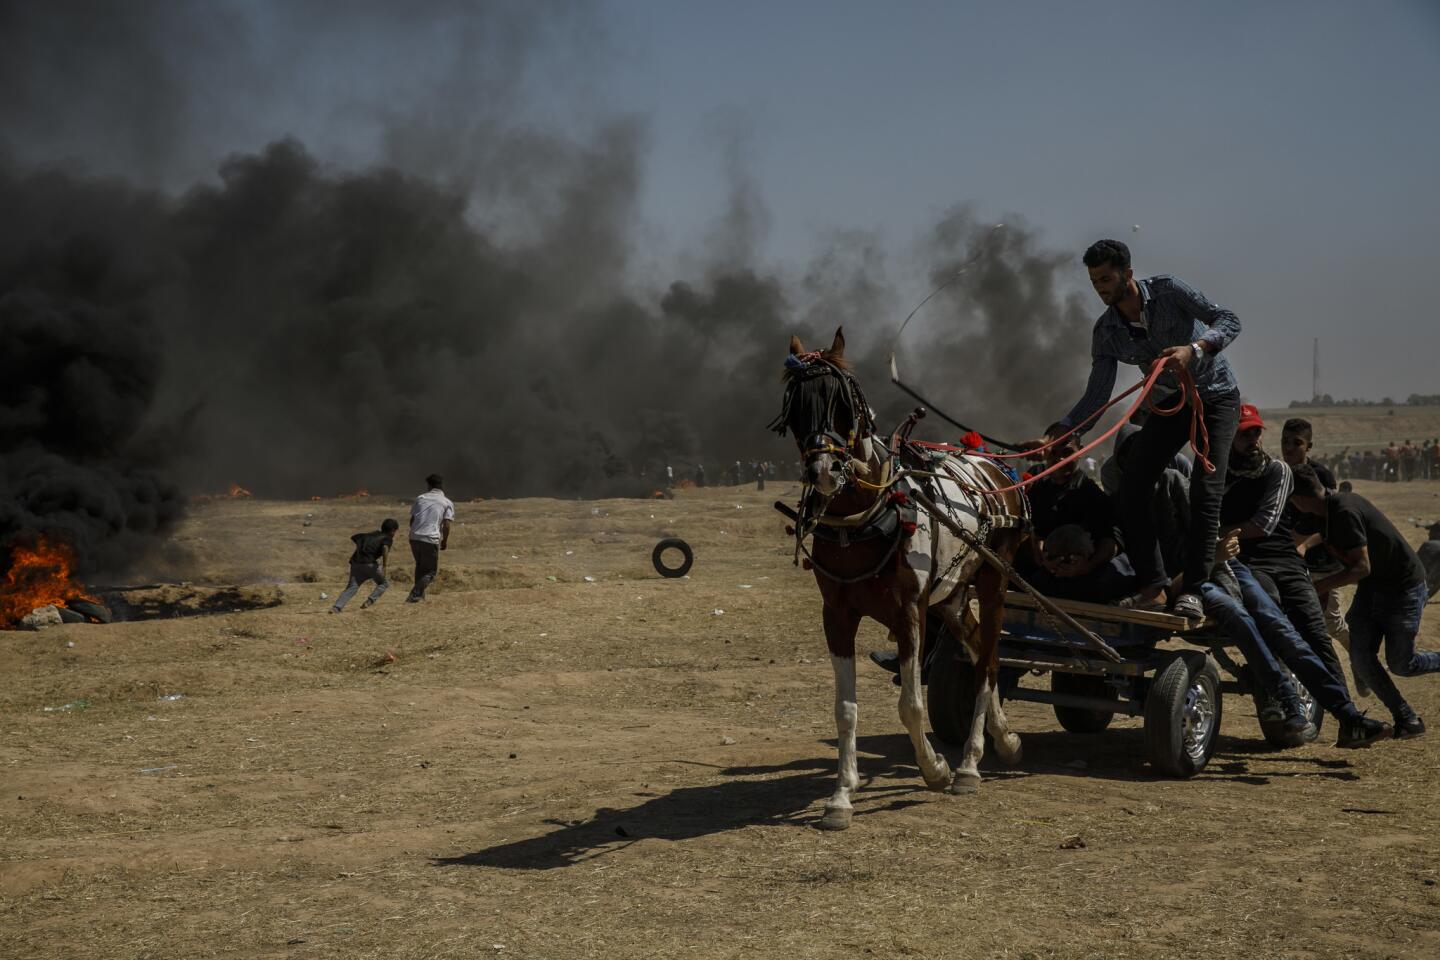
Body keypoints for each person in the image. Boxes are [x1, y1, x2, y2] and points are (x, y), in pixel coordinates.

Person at [1022, 239, 1242, 620]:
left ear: (1127, 273)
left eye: (1106, 278)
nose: (1101, 288)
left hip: (1216, 398)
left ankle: (1193, 589)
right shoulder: (1107, 331)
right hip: (1172, 406)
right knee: (1132, 486)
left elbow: (1229, 320)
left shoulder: (1170, 290)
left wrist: (1195, 348)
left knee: (1207, 491)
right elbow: (1098, 394)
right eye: (1094, 282)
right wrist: (1064, 429)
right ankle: (1154, 585)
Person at [1201, 531, 1391, 748]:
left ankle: (1347, 715)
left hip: (1229, 565)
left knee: (1282, 627)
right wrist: (1213, 556)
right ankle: (1288, 699)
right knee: (1245, 618)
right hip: (1199, 570)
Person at [1290, 462, 1438, 738]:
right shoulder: (1323, 512)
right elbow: (1300, 538)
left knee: (1402, 664)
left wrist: (1317, 587)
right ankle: (1407, 719)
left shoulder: (1344, 511)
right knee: (1360, 658)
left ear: (1299, 499)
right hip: (1374, 589)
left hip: (1402, 588)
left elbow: (1361, 568)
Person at [1222, 408, 1351, 695]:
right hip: (1251, 564)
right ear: (1229, 436)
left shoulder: (1276, 470)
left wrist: (1219, 532)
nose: (1253, 438)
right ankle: (1277, 697)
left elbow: (1264, 524)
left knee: (1318, 630)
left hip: (1289, 560)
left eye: (1256, 432)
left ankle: (1346, 708)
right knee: (1272, 617)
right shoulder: (1219, 473)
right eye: (1245, 433)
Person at [330, 518, 398, 613]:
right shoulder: (387, 538)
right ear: (393, 531)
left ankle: (336, 607)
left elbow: (355, 537)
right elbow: (385, 548)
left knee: (352, 587)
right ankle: (369, 602)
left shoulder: (369, 535)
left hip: (355, 563)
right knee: (384, 583)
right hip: (370, 564)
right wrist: (384, 566)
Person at [407, 473, 454, 603]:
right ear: (441, 486)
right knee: (430, 572)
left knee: (420, 566)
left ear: (429, 485)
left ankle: (419, 597)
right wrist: (444, 541)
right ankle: (414, 596)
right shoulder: (446, 502)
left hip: (414, 537)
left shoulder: (420, 498)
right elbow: (447, 525)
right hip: (430, 538)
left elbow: (412, 520)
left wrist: (413, 533)